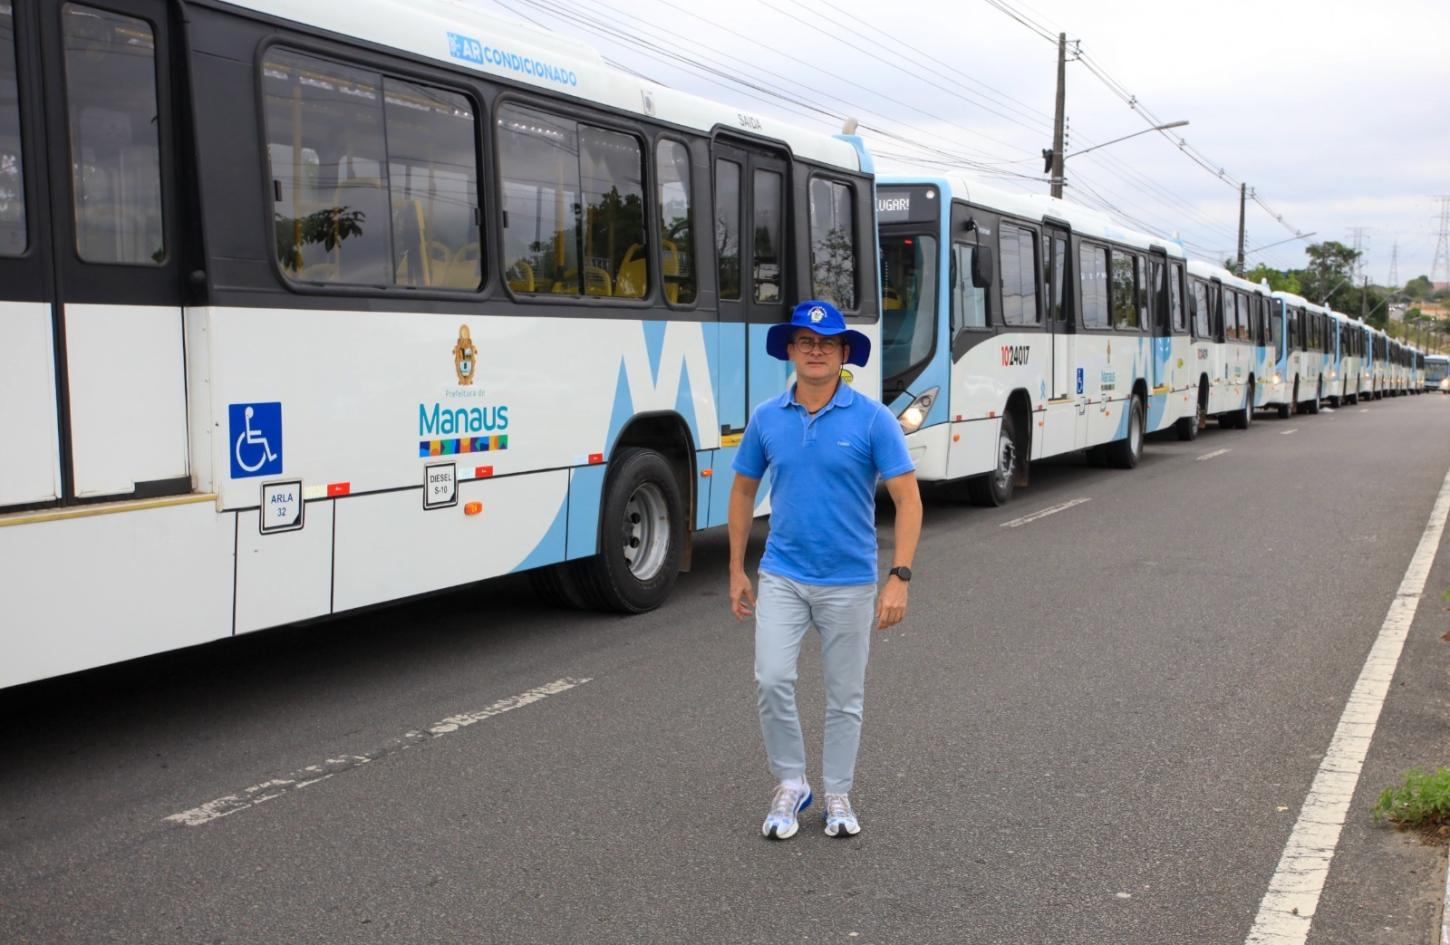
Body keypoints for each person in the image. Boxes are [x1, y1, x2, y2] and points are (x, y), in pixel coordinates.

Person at [728, 299, 922, 840]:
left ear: (842, 354)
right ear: (791, 351)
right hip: (783, 574)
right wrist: (736, 569)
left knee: (844, 696)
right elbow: (743, 490)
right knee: (771, 679)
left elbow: (909, 500)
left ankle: (837, 791)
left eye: (828, 343)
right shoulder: (768, 417)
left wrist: (898, 577)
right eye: (806, 342)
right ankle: (792, 783)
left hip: (850, 581)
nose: (816, 351)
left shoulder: (873, 419)